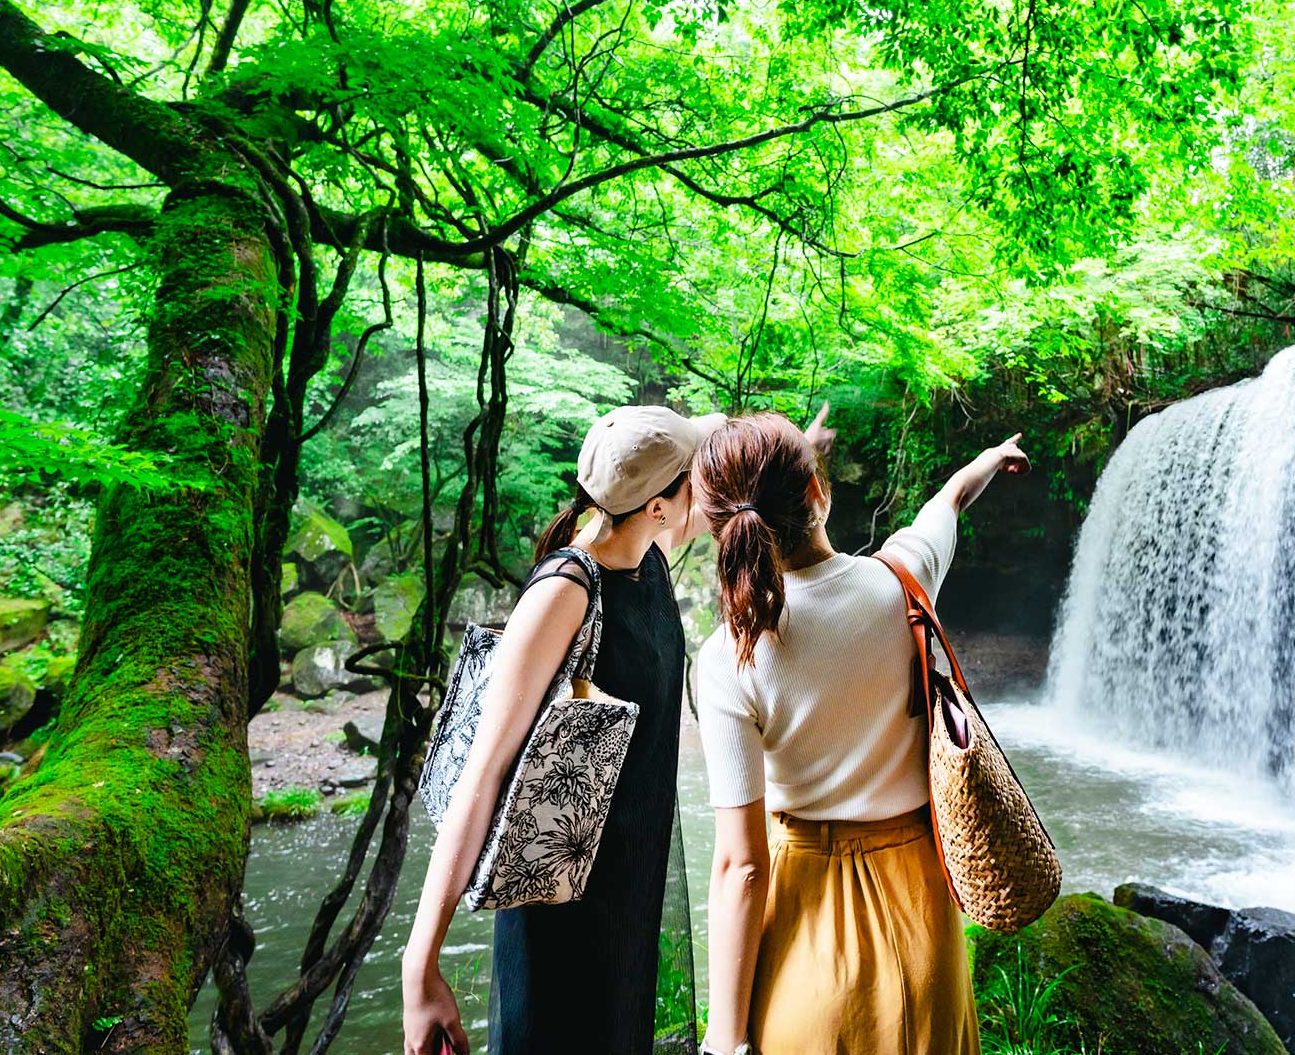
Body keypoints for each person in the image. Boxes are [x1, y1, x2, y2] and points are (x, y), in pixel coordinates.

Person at [691, 411, 1029, 1055]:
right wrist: (987, 459)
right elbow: (949, 501)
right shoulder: (903, 580)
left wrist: (724, 1041)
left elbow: (741, 866)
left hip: (805, 934)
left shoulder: (729, 656)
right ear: (818, 492)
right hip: (922, 918)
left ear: (720, 529)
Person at [401, 405, 722, 1055]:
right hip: (561, 914)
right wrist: (420, 966)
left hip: (628, 896)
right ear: (657, 505)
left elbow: (714, 431)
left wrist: (797, 444)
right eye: (693, 479)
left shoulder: (651, 554)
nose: (704, 490)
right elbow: (484, 775)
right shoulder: (566, 590)